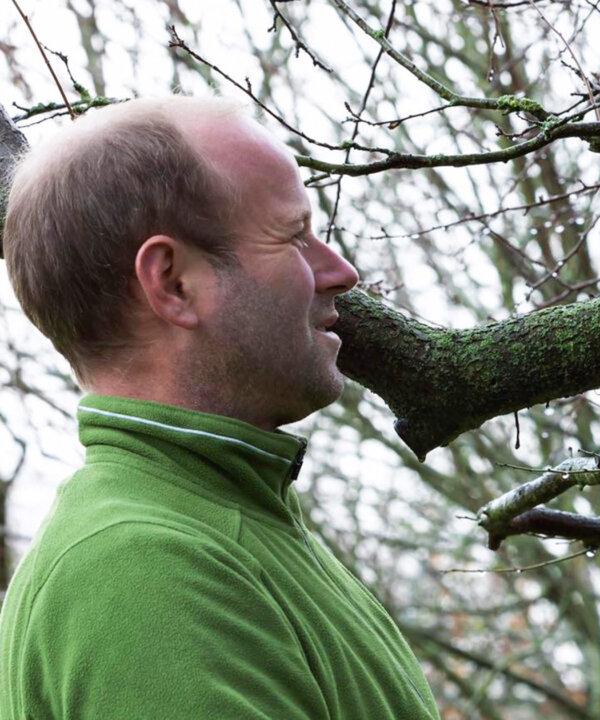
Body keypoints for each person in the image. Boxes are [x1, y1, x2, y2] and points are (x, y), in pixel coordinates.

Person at [0, 95, 441, 719]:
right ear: (174, 283)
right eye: (293, 236)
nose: (340, 271)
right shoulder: (144, 571)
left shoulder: (234, 521)